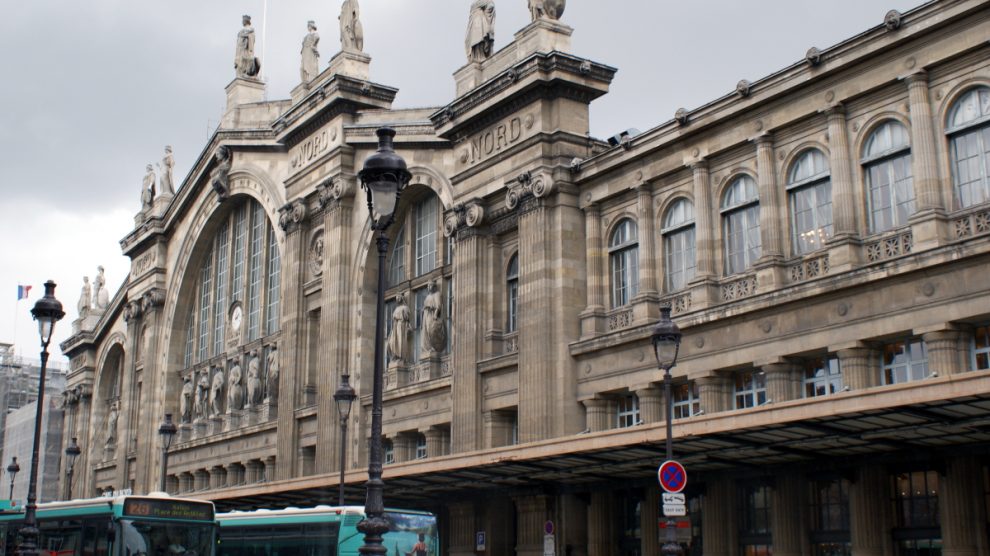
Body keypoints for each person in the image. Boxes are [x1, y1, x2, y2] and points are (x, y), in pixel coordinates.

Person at [421, 280, 446, 353]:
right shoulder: (428, 296)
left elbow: (438, 305)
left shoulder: (437, 294)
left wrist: (435, 314)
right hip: (426, 315)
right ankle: (428, 347)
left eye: (430, 285)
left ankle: (433, 347)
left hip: (432, 314)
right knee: (425, 331)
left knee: (430, 329)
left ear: (434, 286)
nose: (429, 287)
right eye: (428, 286)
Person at [387, 293, 411, 364]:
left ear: (401, 298)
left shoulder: (405, 307)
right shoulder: (396, 308)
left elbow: (407, 318)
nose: (397, 299)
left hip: (401, 326)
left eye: (398, 297)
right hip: (395, 326)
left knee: (400, 342)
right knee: (390, 343)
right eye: (396, 298)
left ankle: (401, 358)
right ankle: (395, 357)